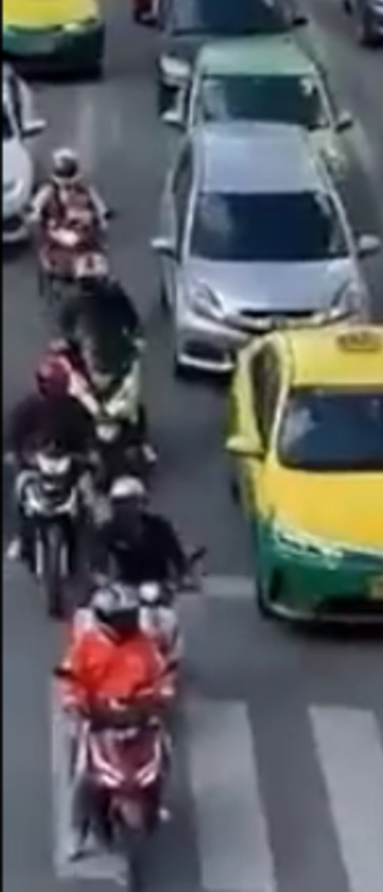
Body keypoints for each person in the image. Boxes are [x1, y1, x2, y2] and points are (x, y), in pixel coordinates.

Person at [58, 583, 172, 859]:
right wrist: (75, 702)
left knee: (164, 754)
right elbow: (70, 678)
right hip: (99, 718)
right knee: (85, 776)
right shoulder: (87, 644)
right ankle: (77, 832)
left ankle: (156, 803)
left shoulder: (145, 645)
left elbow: (162, 676)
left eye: (130, 616)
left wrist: (161, 695)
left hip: (136, 716)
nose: (128, 622)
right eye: (121, 617)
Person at [56, 259, 154, 464]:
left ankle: (140, 442)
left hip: (119, 363)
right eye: (86, 282)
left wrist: (137, 342)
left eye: (94, 281)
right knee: (71, 401)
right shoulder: (72, 303)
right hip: (90, 365)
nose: (90, 286)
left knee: (133, 408)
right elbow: (64, 333)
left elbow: (133, 323)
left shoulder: (115, 298)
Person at [4, 355, 96, 565]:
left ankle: (89, 541)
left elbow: (90, 432)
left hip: (70, 463)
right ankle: (21, 538)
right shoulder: (29, 407)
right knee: (19, 491)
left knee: (88, 494)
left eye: (55, 383)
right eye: (48, 383)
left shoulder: (75, 408)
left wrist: (91, 453)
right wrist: (15, 453)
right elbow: (14, 432)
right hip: (36, 464)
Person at [93, 477, 189, 589]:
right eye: (117, 502)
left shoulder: (159, 527)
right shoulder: (108, 531)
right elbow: (96, 560)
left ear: (141, 502)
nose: (122, 508)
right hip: (124, 591)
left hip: (159, 588)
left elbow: (178, 557)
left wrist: (181, 579)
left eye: (127, 502)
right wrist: (99, 578)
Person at [30, 147, 109, 237]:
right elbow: (39, 200)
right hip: (58, 224)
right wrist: (35, 212)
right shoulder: (50, 187)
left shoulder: (84, 185)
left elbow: (96, 200)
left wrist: (103, 214)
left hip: (81, 225)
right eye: (62, 165)